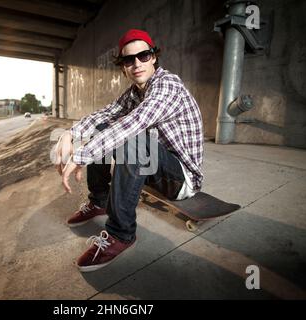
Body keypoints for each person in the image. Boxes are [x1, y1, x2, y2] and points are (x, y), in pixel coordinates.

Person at [55, 29, 203, 272]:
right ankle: (99, 201)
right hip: (153, 168)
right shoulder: (135, 92)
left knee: (130, 136)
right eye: (128, 60)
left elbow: (136, 122)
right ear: (123, 66)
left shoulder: (168, 85)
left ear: (153, 57)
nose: (136, 64)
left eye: (143, 56)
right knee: (104, 127)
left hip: (181, 179)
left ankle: (121, 234)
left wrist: (82, 155)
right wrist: (71, 133)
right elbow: (105, 114)